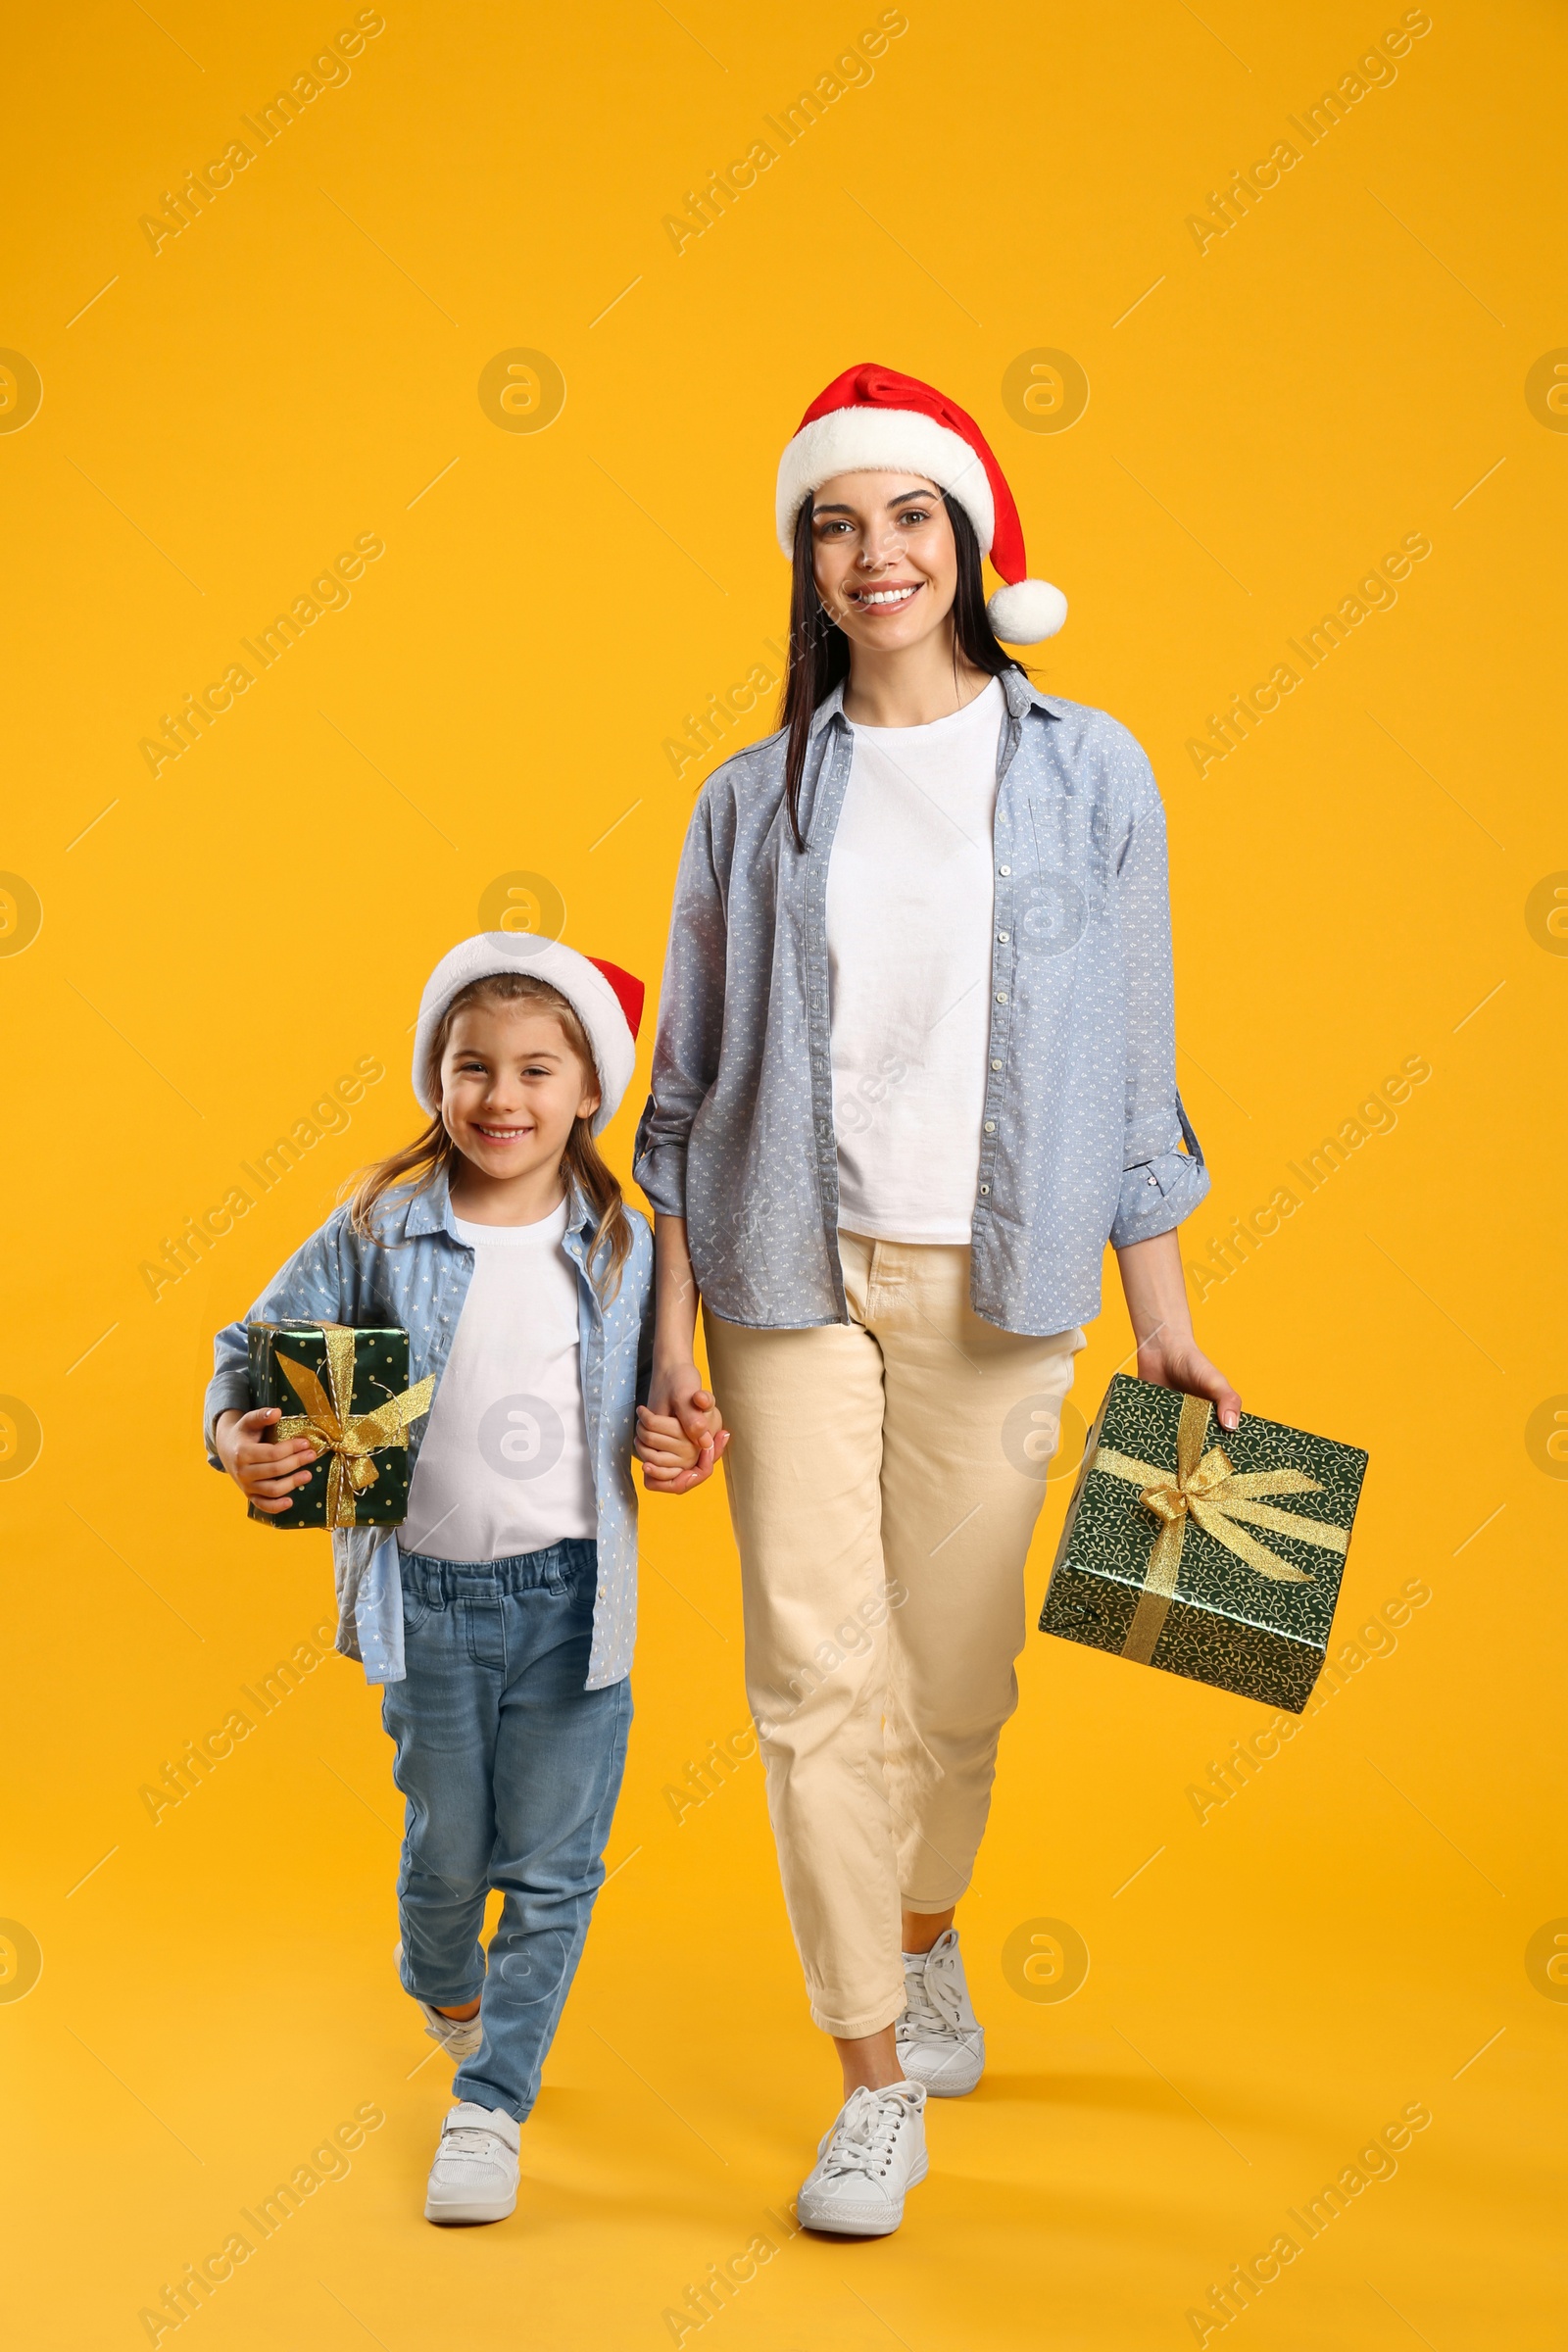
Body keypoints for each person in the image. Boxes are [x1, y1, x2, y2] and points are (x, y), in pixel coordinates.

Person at [631, 363, 1239, 2237]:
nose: (872, 553)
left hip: (1017, 1271)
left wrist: (1167, 1311)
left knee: (958, 1685)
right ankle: (871, 2076)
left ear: (966, 538)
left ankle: (926, 1932)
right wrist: (673, 1343)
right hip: (782, 1277)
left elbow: (1135, 1062)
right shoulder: (752, 801)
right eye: (835, 521)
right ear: (805, 562)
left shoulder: (1092, 769)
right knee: (818, 1682)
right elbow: (681, 1100)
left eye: (906, 516)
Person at [205, 936, 716, 2227]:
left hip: (574, 1604)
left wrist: (687, 1443)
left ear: (589, 1086)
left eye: (538, 1069)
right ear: (436, 1077)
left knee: (551, 1872)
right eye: (472, 1065)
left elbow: (681, 1412)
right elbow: (255, 1352)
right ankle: (436, 1966)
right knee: (448, 1858)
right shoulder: (380, 1224)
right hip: (424, 1599)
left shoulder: (632, 1245)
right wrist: (242, 1437)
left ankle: (491, 2106)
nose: (504, 1096)